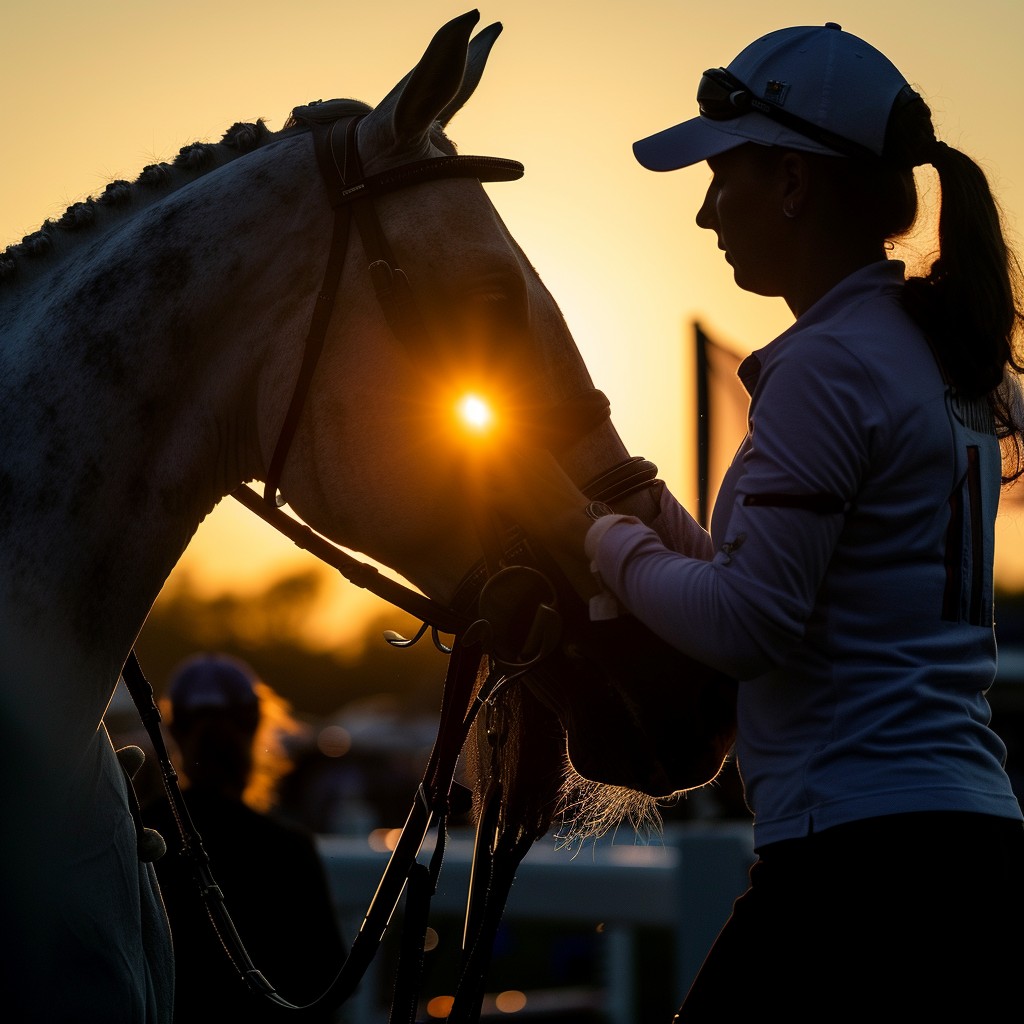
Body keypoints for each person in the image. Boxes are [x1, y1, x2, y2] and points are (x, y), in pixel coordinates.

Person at [495, 23, 1024, 1021]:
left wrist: (578, 527)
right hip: (960, 843)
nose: (703, 211)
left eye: (720, 174)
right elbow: (791, 595)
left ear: (790, 183)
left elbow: (748, 626)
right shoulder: (921, 348)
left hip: (860, 868)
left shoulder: (828, 366)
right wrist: (638, 507)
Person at [144, 653, 346, 1023]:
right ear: (256, 725)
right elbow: (326, 977)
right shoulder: (287, 847)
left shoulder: (142, 836)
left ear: (172, 729)